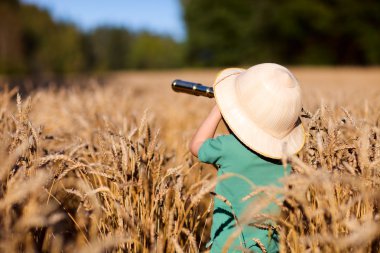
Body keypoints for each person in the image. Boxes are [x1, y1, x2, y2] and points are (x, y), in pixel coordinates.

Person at [189, 63, 305, 252]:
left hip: (226, 246)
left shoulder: (227, 147)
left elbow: (196, 146)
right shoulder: (286, 157)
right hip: (268, 246)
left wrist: (218, 109)